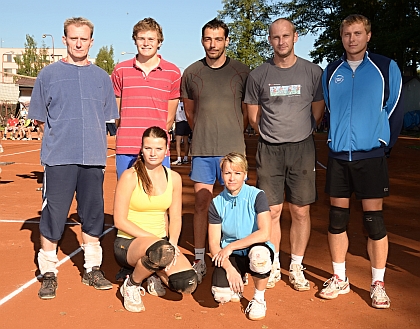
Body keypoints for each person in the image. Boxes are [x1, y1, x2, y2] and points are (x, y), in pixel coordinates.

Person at [28, 17, 119, 299]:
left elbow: (107, 121)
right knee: (54, 215)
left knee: (92, 216)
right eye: (73, 38)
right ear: (65, 39)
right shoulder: (48, 75)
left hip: (93, 158)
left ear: (91, 41)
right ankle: (49, 272)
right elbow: (41, 119)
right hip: (59, 159)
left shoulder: (102, 77)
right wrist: (62, 139)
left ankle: (92, 268)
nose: (79, 43)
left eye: (84, 38)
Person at [319, 14, 403, 309]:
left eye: (357, 33)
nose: (351, 39)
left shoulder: (385, 67)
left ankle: (378, 283)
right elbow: (330, 109)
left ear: (368, 36)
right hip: (339, 157)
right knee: (336, 219)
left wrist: (382, 143)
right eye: (346, 34)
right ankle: (339, 277)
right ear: (341, 37)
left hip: (370, 157)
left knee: (373, 222)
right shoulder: (331, 70)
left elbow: (393, 109)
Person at [244, 18, 325, 290]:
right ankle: (275, 262)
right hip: (269, 150)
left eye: (286, 36)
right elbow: (253, 116)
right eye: (276, 37)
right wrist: (271, 133)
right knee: (273, 210)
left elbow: (317, 110)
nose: (281, 41)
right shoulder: (258, 75)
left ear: (295, 37)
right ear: (270, 40)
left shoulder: (313, 72)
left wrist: (299, 131)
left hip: (301, 148)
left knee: (301, 211)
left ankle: (297, 265)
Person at [181, 18, 250, 282]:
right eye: (208, 39)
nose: (213, 44)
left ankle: (237, 257)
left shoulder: (242, 72)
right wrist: (205, 133)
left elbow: (246, 112)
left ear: (227, 41)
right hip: (203, 149)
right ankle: (200, 257)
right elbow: (190, 113)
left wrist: (233, 132)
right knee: (201, 203)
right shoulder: (191, 73)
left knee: (236, 206)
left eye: (218, 39)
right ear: (202, 41)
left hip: (233, 152)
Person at [113, 126, 198, 313]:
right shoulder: (130, 176)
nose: (153, 153)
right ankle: (132, 284)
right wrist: (156, 242)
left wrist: (173, 244)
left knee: (186, 283)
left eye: (158, 149)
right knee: (160, 250)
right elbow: (119, 221)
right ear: (141, 149)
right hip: (128, 243)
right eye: (148, 148)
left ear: (166, 150)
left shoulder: (174, 178)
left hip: (162, 244)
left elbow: (175, 216)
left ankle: (152, 272)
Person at [111, 17, 181, 179]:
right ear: (135, 40)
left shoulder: (173, 72)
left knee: (158, 198)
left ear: (159, 42)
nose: (146, 43)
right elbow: (118, 113)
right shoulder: (120, 70)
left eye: (151, 39)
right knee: (127, 198)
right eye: (141, 38)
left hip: (158, 148)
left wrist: (156, 142)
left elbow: (169, 117)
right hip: (126, 147)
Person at [209, 152, 273, 321]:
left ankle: (259, 298)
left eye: (237, 173)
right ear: (221, 175)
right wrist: (229, 269)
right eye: (227, 173)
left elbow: (265, 232)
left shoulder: (257, 195)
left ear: (245, 175)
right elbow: (214, 244)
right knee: (221, 295)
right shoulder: (216, 203)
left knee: (259, 257)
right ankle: (239, 274)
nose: (232, 178)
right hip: (232, 256)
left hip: (254, 247)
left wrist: (230, 246)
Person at [171, 98, 191, 165]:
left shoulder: (177, 104)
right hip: (186, 123)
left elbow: (174, 115)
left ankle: (179, 158)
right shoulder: (187, 104)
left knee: (178, 142)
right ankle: (185, 158)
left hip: (180, 123)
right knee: (186, 142)